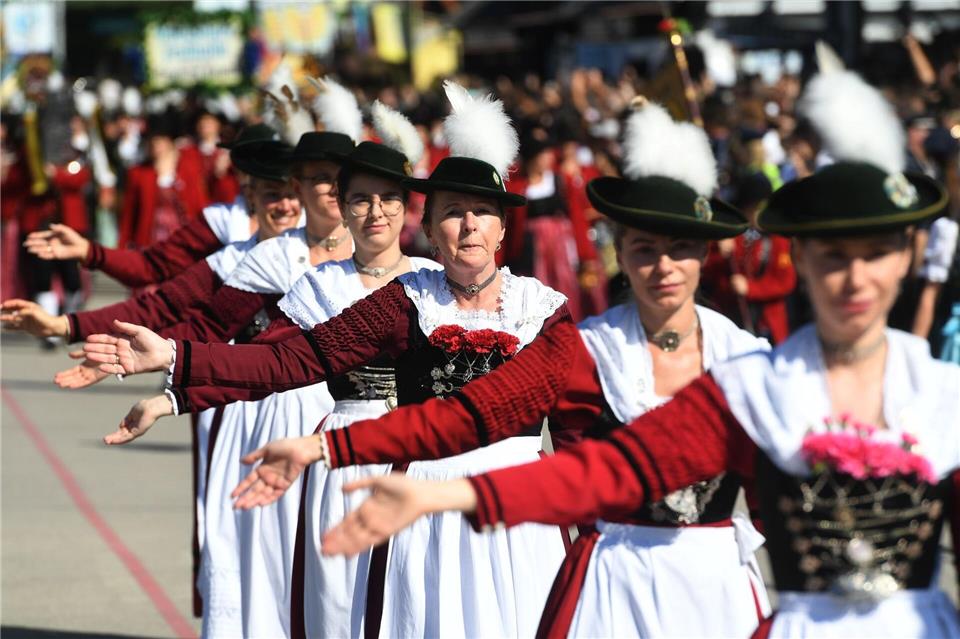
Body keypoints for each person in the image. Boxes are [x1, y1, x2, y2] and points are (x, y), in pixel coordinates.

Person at [317, 66, 960, 639]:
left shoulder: (937, 395)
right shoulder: (750, 384)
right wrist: (426, 487)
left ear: (908, 258)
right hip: (619, 582)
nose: (855, 280)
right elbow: (591, 463)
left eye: (875, 255)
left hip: (765, 600)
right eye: (832, 257)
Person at [232, 98, 774, 639]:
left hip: (715, 581)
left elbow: (780, 486)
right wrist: (328, 447)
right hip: (612, 568)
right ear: (623, 256)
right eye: (644, 248)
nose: (663, 266)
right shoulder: (584, 347)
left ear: (705, 255)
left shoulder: (744, 358)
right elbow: (472, 415)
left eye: (681, 248)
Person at [84, 81, 570, 639]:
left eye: (483, 213)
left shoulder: (543, 310)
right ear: (432, 230)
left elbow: (584, 427)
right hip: (420, 506)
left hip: (519, 509)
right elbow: (289, 361)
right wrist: (175, 359)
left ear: (504, 227)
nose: (469, 227)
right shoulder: (405, 302)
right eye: (453, 213)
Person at [21, 124, 281, 289]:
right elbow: (151, 268)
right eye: (247, 168)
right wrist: (93, 252)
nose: (253, 179)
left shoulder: (304, 229)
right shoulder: (217, 220)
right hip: (157, 237)